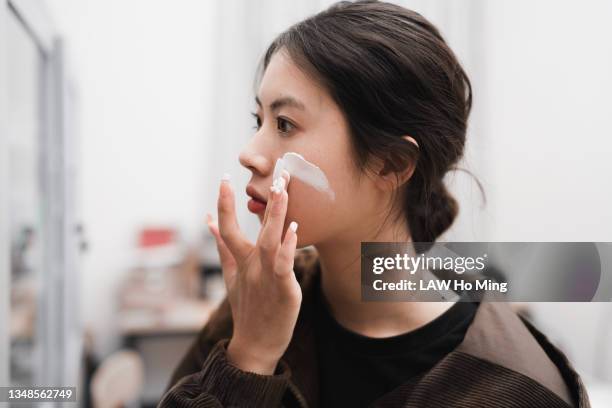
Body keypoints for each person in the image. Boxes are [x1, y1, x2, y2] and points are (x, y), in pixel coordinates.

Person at [158, 1, 589, 407]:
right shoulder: (259, 304)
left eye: (285, 124)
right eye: (260, 121)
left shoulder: (514, 387)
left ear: (392, 164)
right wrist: (250, 356)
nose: (249, 152)